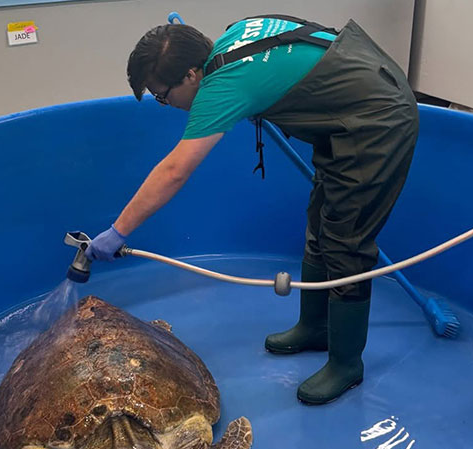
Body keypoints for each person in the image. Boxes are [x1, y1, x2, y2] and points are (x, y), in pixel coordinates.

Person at [86, 14, 419, 405]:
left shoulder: (223, 85)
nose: (165, 104)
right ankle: (315, 327)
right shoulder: (231, 36)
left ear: (192, 74)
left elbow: (175, 171)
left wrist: (119, 231)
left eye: (163, 95)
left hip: (377, 121)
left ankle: (347, 364)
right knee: (319, 226)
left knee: (346, 241)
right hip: (344, 115)